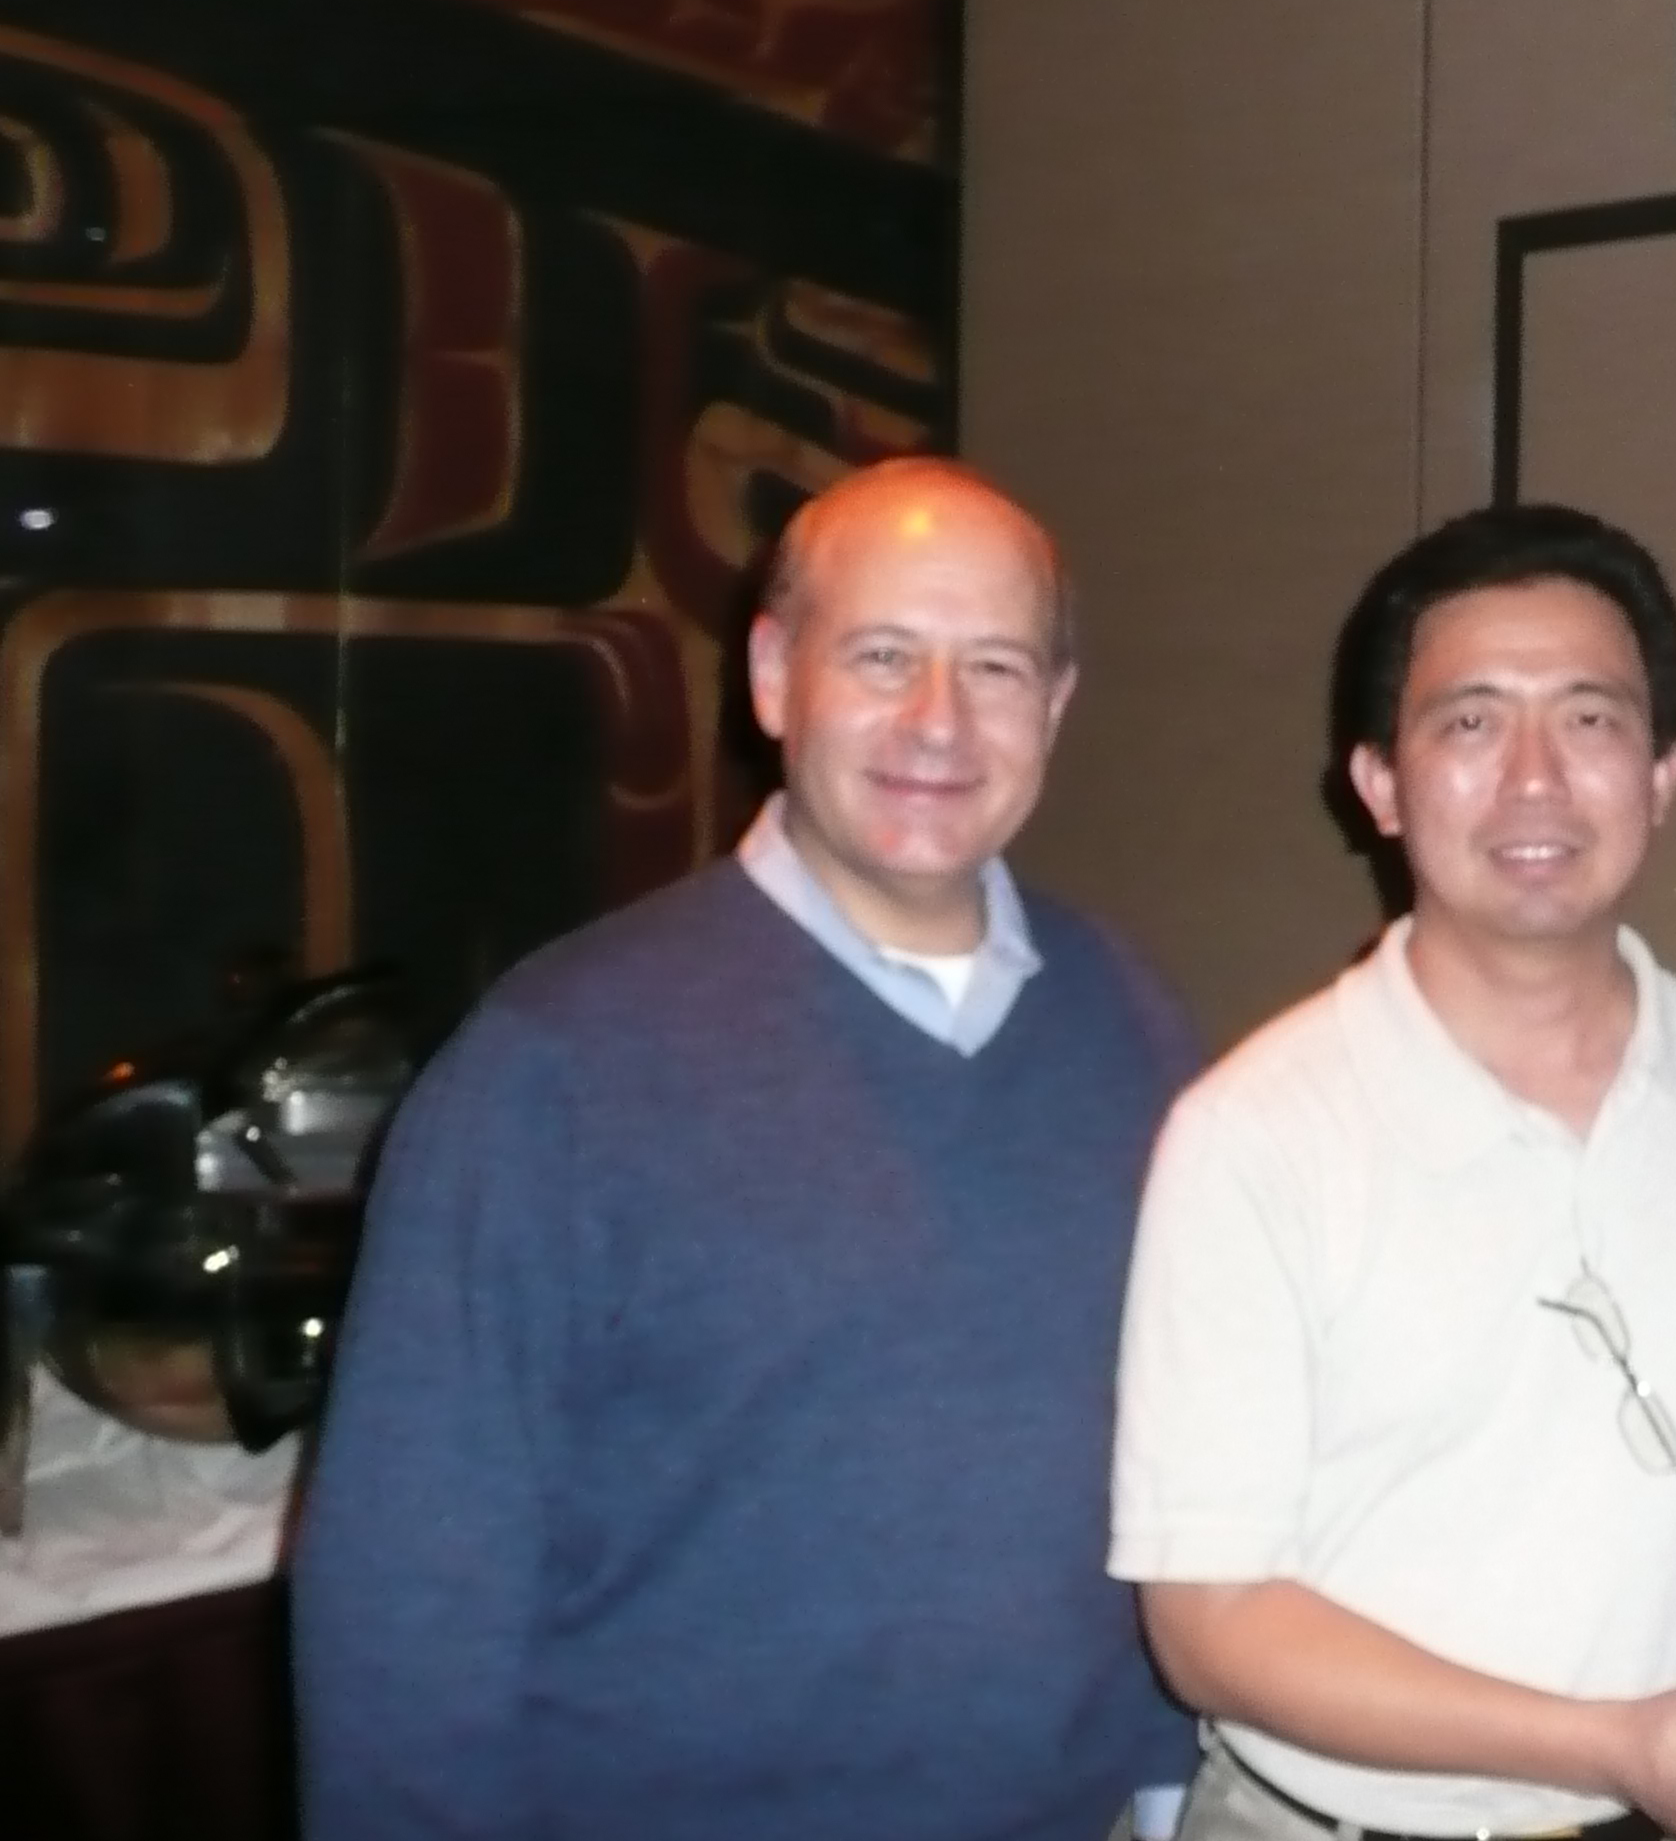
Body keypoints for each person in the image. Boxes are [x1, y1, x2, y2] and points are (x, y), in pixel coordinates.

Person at [293, 457, 1198, 1841]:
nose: (939, 720)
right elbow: (410, 1590)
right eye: (883, 655)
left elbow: (1182, 1463)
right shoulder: (555, 1063)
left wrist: (1169, 1780)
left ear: (1056, 706)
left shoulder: (1131, 1023)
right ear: (774, 678)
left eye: (996, 668)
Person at [1109, 504, 1676, 1841]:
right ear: (1379, 784)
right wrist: (1607, 1746)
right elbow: (1208, 1623)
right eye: (1470, 722)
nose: (1534, 780)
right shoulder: (1253, 1135)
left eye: (1589, 719)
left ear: (1661, 775)